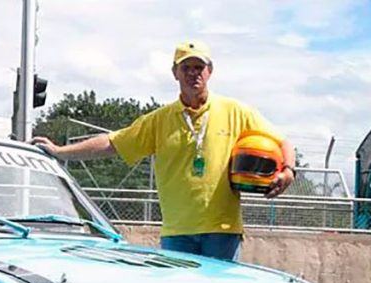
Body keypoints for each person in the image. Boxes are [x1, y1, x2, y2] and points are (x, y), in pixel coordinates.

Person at [32, 41, 296, 261]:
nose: (193, 73)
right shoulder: (159, 120)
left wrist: (288, 171)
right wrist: (60, 151)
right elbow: (113, 142)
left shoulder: (236, 111)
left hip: (222, 231)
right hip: (177, 233)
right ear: (175, 73)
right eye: (186, 68)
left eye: (199, 67)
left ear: (210, 71)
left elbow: (283, 141)